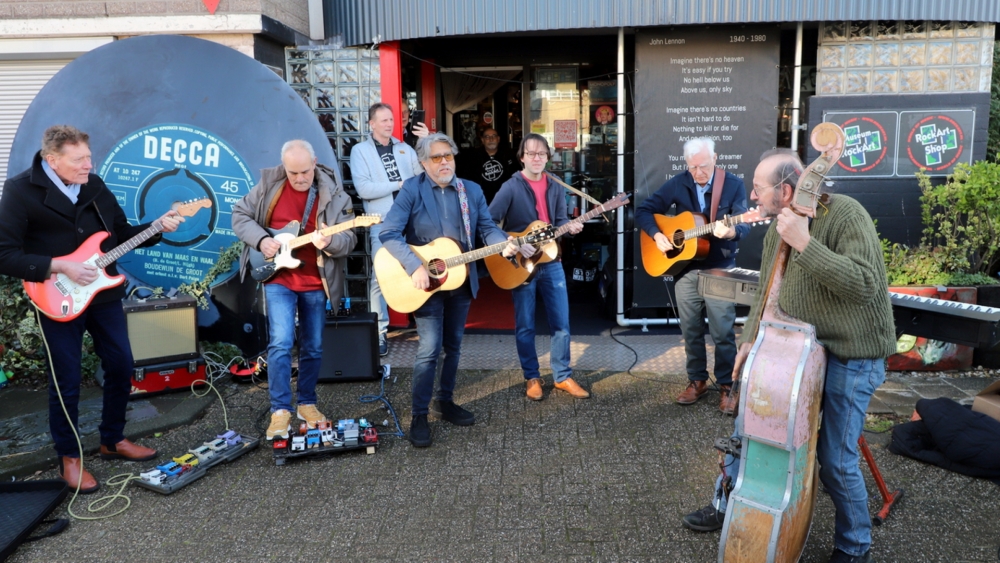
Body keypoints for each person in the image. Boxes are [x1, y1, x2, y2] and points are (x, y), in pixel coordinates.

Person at [680, 150, 896, 563]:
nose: (753, 197)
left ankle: (855, 546)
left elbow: (865, 285)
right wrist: (748, 342)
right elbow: (767, 291)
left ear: (785, 189)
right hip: (799, 350)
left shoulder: (847, 215)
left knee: (835, 459)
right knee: (747, 432)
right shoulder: (775, 226)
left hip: (852, 353)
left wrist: (806, 242)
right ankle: (729, 505)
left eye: (759, 189)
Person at [0, 125, 183, 493]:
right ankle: (70, 457)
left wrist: (158, 227)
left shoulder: (94, 186)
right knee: (65, 380)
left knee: (121, 364)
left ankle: (112, 439)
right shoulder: (21, 190)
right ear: (52, 160)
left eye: (89, 156)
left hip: (103, 294)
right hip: (55, 297)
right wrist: (60, 266)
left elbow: (119, 234)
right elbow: (5, 254)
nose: (89, 164)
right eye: (79, 159)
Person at [379, 132, 518, 448]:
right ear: (424, 163)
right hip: (425, 282)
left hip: (460, 280)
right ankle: (418, 415)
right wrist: (414, 266)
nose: (444, 162)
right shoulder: (412, 190)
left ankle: (445, 402)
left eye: (448, 156)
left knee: (453, 347)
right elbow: (388, 232)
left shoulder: (471, 190)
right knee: (429, 349)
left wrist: (504, 245)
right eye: (437, 157)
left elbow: (488, 229)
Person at [232, 139, 357, 440]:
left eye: (305, 172)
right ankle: (279, 411)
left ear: (315, 162)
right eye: (293, 173)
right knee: (281, 343)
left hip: (316, 281)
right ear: (283, 167)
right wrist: (262, 241)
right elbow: (239, 215)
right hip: (279, 279)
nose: (300, 179)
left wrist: (331, 242)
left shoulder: (335, 195)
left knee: (313, 346)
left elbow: (350, 238)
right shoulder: (269, 185)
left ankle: (307, 404)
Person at [634, 137, 749, 412]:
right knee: (691, 330)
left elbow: (743, 223)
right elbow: (643, 211)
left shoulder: (732, 184)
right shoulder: (679, 182)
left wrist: (731, 230)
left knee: (722, 331)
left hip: (720, 267)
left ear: (716, 158)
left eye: (704, 166)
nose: (699, 173)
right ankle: (697, 381)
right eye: (693, 167)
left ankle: (727, 385)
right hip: (685, 268)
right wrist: (657, 234)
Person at [488, 133, 589, 401]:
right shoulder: (510, 187)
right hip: (522, 265)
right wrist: (515, 243)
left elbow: (559, 222)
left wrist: (571, 228)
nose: (536, 158)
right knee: (525, 324)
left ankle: (562, 376)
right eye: (531, 153)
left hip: (552, 262)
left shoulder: (555, 186)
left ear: (547, 157)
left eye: (541, 154)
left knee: (562, 323)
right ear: (522, 157)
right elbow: (489, 223)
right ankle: (532, 377)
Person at [350, 102, 427, 356]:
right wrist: (399, 183)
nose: (389, 123)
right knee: (379, 279)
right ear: (371, 124)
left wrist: (426, 142)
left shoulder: (406, 149)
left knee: (419, 269)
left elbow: (424, 178)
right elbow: (364, 190)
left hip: (411, 222)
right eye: (383, 120)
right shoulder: (360, 151)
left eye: (391, 119)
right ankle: (379, 333)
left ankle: (424, 327)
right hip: (381, 223)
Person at [458, 127, 518, 203]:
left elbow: (517, 177)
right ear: (482, 140)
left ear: (498, 139)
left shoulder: (509, 155)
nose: (491, 139)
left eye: (494, 136)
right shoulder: (473, 158)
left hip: (505, 201)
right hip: (481, 201)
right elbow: (466, 180)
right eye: (487, 137)